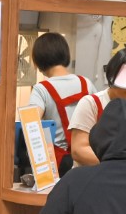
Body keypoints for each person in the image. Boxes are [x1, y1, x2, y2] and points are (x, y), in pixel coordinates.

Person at [27, 31, 96, 175]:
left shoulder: (41, 90)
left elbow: (31, 126)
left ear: (38, 60)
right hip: (88, 160)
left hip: (60, 164)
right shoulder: (86, 83)